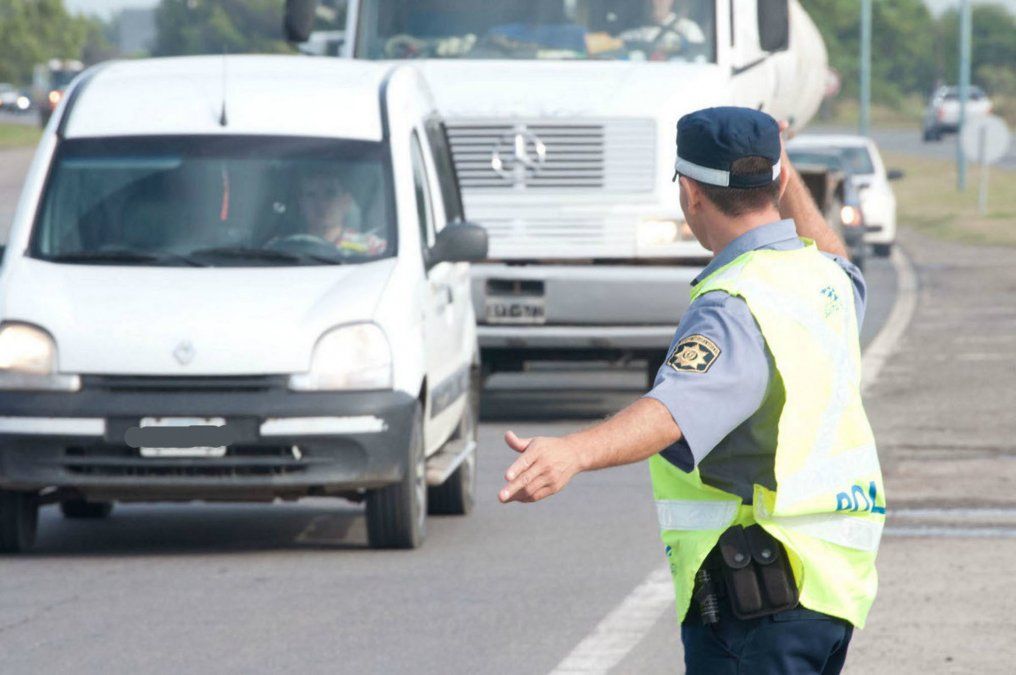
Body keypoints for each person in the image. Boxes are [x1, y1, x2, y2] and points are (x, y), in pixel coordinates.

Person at [498, 107, 884, 674]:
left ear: (691, 194)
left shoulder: (733, 304)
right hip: (833, 591)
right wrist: (785, 163)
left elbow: (673, 409)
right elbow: (836, 253)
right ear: (777, 181)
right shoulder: (826, 282)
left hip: (761, 605)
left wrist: (572, 452)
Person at [290, 168, 385, 255]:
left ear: (346, 202)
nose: (321, 203)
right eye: (311, 195)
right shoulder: (286, 249)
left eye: (330, 194)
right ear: (301, 204)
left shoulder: (373, 248)